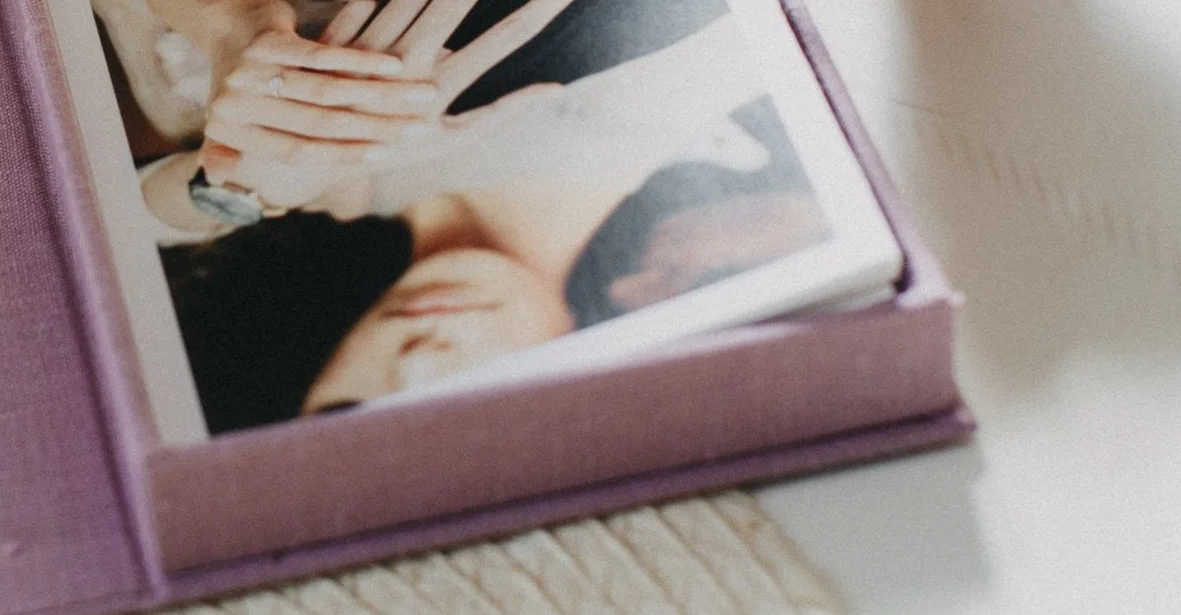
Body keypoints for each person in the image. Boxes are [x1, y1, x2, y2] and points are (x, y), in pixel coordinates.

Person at [162, 96, 825, 431]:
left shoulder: (278, 174)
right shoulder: (729, 145)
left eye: (349, 407)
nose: (418, 356)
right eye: (466, 400)